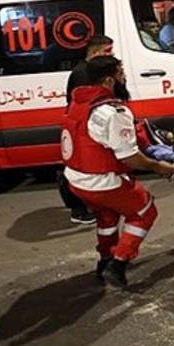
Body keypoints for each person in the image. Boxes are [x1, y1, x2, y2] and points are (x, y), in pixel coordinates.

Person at [62, 55, 174, 288]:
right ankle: (119, 263)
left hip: (75, 180)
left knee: (107, 217)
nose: (124, 78)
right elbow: (129, 157)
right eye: (121, 73)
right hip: (102, 182)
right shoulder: (113, 112)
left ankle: (104, 261)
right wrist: (159, 167)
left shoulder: (77, 104)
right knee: (145, 211)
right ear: (109, 80)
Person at [58, 34, 120, 225]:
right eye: (107, 51)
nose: (111, 55)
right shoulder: (84, 74)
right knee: (79, 165)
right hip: (82, 124)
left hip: (81, 122)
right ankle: (78, 208)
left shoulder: (87, 71)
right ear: (94, 53)